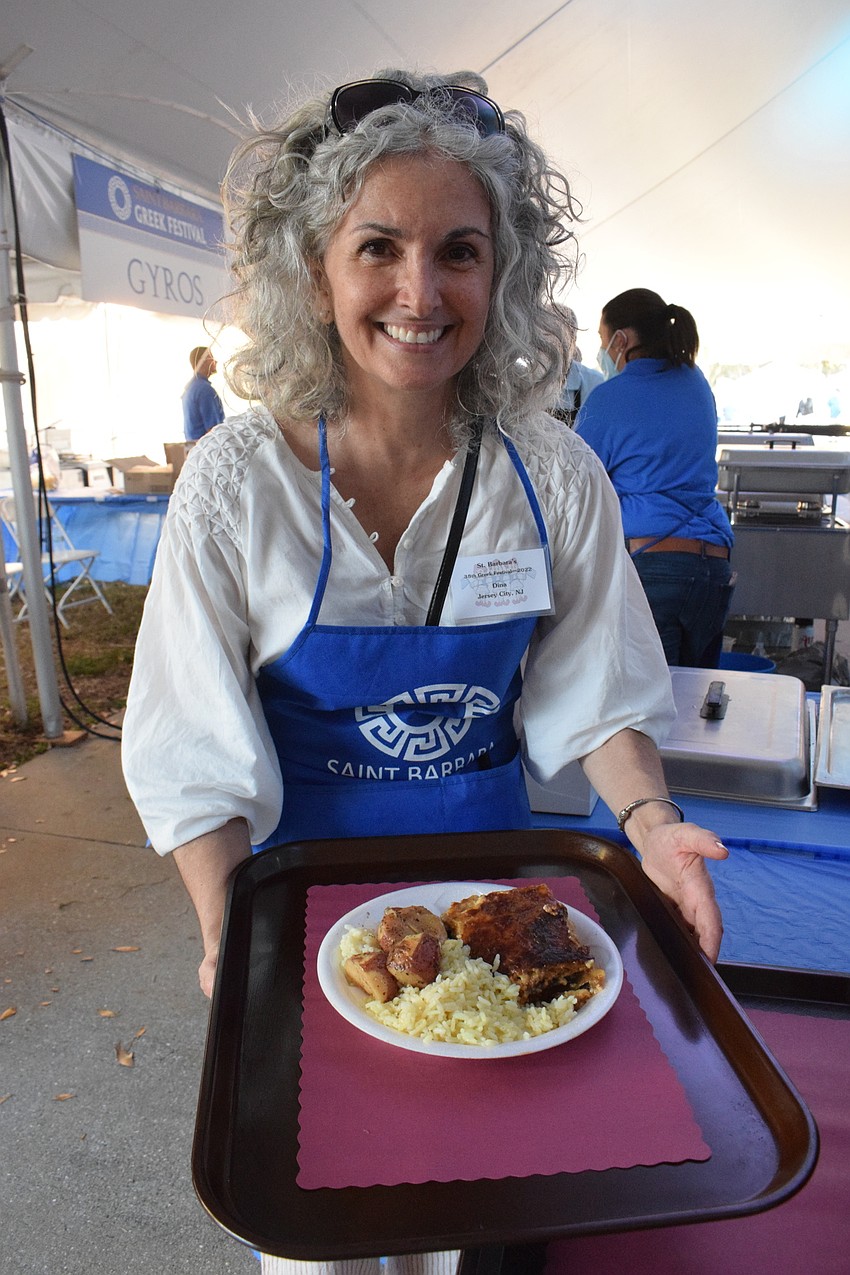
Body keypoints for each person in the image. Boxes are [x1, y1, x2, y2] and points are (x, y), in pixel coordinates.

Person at [122, 72, 728, 1275]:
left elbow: (599, 693)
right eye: (377, 248)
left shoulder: (550, 475)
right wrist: (221, 934)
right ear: (313, 271)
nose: (419, 291)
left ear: (500, 277)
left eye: (459, 250)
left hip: (498, 935)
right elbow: (194, 753)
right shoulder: (234, 486)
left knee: (486, 1233)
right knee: (331, 1240)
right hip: (305, 937)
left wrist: (651, 821)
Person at [576, 288, 734, 667]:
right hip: (714, 564)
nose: (602, 352)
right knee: (696, 703)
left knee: (651, 711)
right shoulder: (697, 384)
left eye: (601, 340)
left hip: (652, 567)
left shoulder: (610, 398)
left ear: (621, 340)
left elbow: (578, 482)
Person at [551, 308, 603, 426]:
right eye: (545, 335)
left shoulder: (596, 384)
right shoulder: (522, 383)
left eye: (559, 338)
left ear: (573, 340)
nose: (550, 346)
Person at [181, 345, 224, 441]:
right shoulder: (205, 390)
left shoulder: (189, 389)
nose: (215, 361)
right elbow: (214, 430)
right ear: (203, 361)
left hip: (194, 450)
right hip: (208, 450)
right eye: (211, 358)